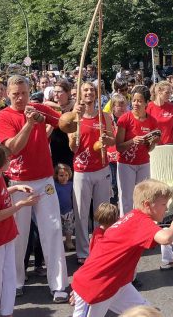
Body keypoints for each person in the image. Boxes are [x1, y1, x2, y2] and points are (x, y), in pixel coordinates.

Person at [0, 75, 69, 302]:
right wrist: (30, 123)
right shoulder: (3, 117)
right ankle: (16, 281)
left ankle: (58, 284)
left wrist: (69, 111)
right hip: (18, 183)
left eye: (24, 93)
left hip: (45, 181)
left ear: (30, 91)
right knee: (18, 234)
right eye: (15, 94)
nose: (20, 98)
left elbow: (65, 124)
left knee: (53, 230)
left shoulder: (38, 108)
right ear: (8, 94)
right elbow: (13, 148)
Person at [71, 180, 173, 317]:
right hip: (97, 287)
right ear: (147, 205)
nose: (166, 208)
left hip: (117, 283)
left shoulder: (133, 216)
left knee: (149, 314)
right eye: (163, 204)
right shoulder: (141, 222)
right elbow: (166, 238)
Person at [0, 140, 39, 317]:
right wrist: (21, 203)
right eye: (7, 159)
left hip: (6, 235)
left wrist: (16, 188)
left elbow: (3, 195)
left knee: (10, 276)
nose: (10, 160)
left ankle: (7, 312)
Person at [70, 81, 115, 264]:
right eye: (85, 90)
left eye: (92, 90)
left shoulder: (104, 116)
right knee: (80, 213)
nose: (89, 92)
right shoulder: (73, 117)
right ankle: (82, 252)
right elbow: (72, 147)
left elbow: (112, 141)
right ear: (80, 94)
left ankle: (100, 247)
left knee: (102, 212)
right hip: (81, 171)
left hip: (102, 169)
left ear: (96, 94)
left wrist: (107, 140)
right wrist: (75, 132)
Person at [116, 85, 159, 216]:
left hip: (143, 162)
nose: (136, 103)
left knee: (143, 197)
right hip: (126, 164)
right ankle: (125, 227)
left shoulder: (152, 121)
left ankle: (141, 226)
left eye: (140, 101)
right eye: (134, 100)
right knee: (126, 198)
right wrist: (132, 141)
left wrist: (152, 142)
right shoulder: (125, 119)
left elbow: (150, 148)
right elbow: (118, 146)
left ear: (146, 103)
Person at [146, 81, 173, 151]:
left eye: (170, 93)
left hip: (172, 145)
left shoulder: (171, 107)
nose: (169, 95)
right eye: (167, 93)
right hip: (156, 147)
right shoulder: (149, 107)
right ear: (159, 92)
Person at [53, 163, 75, 252]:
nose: (64, 177)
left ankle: (69, 242)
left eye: (66, 175)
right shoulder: (54, 185)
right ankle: (58, 244)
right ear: (56, 175)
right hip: (57, 211)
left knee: (69, 228)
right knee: (57, 228)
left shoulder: (71, 184)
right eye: (61, 175)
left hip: (68, 211)